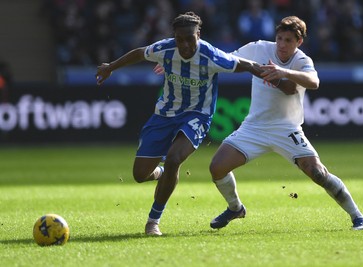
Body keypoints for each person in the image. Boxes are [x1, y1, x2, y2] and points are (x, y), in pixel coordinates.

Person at [95, 11, 264, 236]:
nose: (184, 44)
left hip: (198, 116)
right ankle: (162, 173)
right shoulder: (165, 49)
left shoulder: (210, 55)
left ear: (199, 35)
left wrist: (273, 76)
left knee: (175, 158)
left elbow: (245, 64)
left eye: (189, 38)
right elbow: (139, 53)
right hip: (164, 115)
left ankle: (153, 221)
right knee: (140, 175)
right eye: (179, 39)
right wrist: (110, 67)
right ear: (174, 36)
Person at [209, 16, 363, 231]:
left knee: (317, 173)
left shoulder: (302, 60)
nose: (282, 45)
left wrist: (283, 72)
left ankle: (359, 218)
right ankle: (235, 207)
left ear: (299, 42)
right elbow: (224, 60)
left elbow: (314, 82)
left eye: (288, 40)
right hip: (254, 127)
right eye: (279, 39)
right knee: (216, 168)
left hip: (286, 129)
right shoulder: (259, 48)